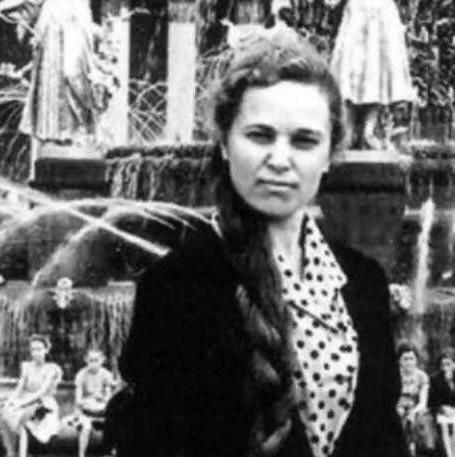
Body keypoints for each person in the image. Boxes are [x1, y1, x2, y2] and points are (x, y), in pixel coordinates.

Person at [106, 31, 408, 457]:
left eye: (304, 141)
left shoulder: (364, 282)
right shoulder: (176, 284)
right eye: (260, 136)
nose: (280, 160)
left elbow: (384, 436)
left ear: (328, 156)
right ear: (225, 145)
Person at [0, 0, 102, 154]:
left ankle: (84, 128)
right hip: (52, 24)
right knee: (52, 80)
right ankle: (60, 134)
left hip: (77, 21)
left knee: (74, 73)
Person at [327, 0, 416, 150]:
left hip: (382, 13)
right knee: (351, 69)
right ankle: (348, 129)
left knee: (377, 70)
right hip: (357, 13)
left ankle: (369, 130)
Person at [0, 335, 62, 457]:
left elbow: (42, 391)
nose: (36, 353)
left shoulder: (52, 369)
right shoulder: (27, 367)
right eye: (33, 350)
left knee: (24, 418)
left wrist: (21, 403)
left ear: (46, 350)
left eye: (39, 349)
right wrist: (11, 401)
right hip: (25, 399)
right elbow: (19, 388)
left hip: (43, 402)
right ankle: (10, 451)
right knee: (1, 410)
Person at [65, 349, 116, 457]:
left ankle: (109, 452)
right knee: (86, 427)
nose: (93, 363)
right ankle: (81, 454)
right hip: (85, 410)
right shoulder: (81, 374)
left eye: (96, 360)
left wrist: (103, 400)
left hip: (101, 410)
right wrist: (85, 403)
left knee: (113, 423)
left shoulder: (106, 374)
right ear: (86, 360)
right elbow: (78, 398)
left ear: (102, 360)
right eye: (91, 360)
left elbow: (109, 397)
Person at [397, 342, 434, 455]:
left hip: (416, 409)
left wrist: (413, 412)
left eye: (411, 359)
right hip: (397, 408)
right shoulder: (394, 375)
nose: (409, 362)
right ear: (399, 360)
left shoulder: (422, 376)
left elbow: (423, 402)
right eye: (405, 359)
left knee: (416, 421)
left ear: (416, 360)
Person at [428, 349, 455, 457]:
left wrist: (450, 383)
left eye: (448, 364)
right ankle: (449, 454)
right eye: (443, 365)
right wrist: (442, 408)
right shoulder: (435, 378)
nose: (446, 368)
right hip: (442, 411)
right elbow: (431, 401)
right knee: (444, 425)